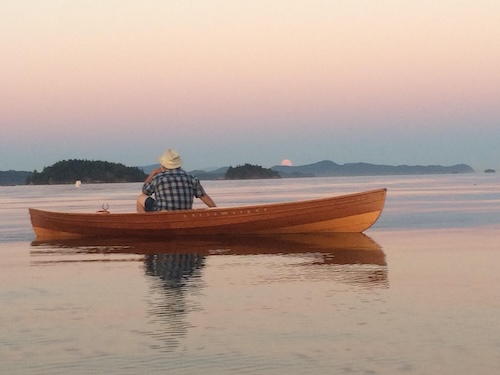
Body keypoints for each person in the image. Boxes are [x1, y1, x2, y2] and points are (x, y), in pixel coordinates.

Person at [136, 149, 216, 212]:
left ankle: (145, 223)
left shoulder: (158, 178)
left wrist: (153, 173)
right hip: (185, 213)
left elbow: (145, 191)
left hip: (163, 213)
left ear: (164, 165)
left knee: (140, 198)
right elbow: (204, 196)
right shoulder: (191, 178)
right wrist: (216, 210)